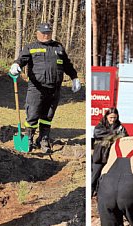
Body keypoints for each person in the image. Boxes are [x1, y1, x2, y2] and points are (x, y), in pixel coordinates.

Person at [9, 22, 81, 153]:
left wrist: (74, 77)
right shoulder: (31, 47)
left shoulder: (58, 47)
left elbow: (67, 65)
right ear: (38, 33)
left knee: (47, 117)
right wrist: (16, 65)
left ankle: (43, 139)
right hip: (37, 88)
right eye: (43, 33)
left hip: (54, 89)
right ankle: (28, 139)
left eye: (48, 33)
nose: (46, 35)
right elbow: (22, 59)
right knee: (32, 114)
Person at [91, 108, 128, 195]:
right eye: (111, 117)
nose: (112, 120)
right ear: (107, 116)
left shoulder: (120, 127)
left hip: (112, 156)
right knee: (94, 176)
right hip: (100, 155)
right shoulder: (100, 125)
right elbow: (97, 134)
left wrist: (112, 136)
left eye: (115, 117)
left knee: (107, 177)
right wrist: (115, 135)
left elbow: (124, 137)